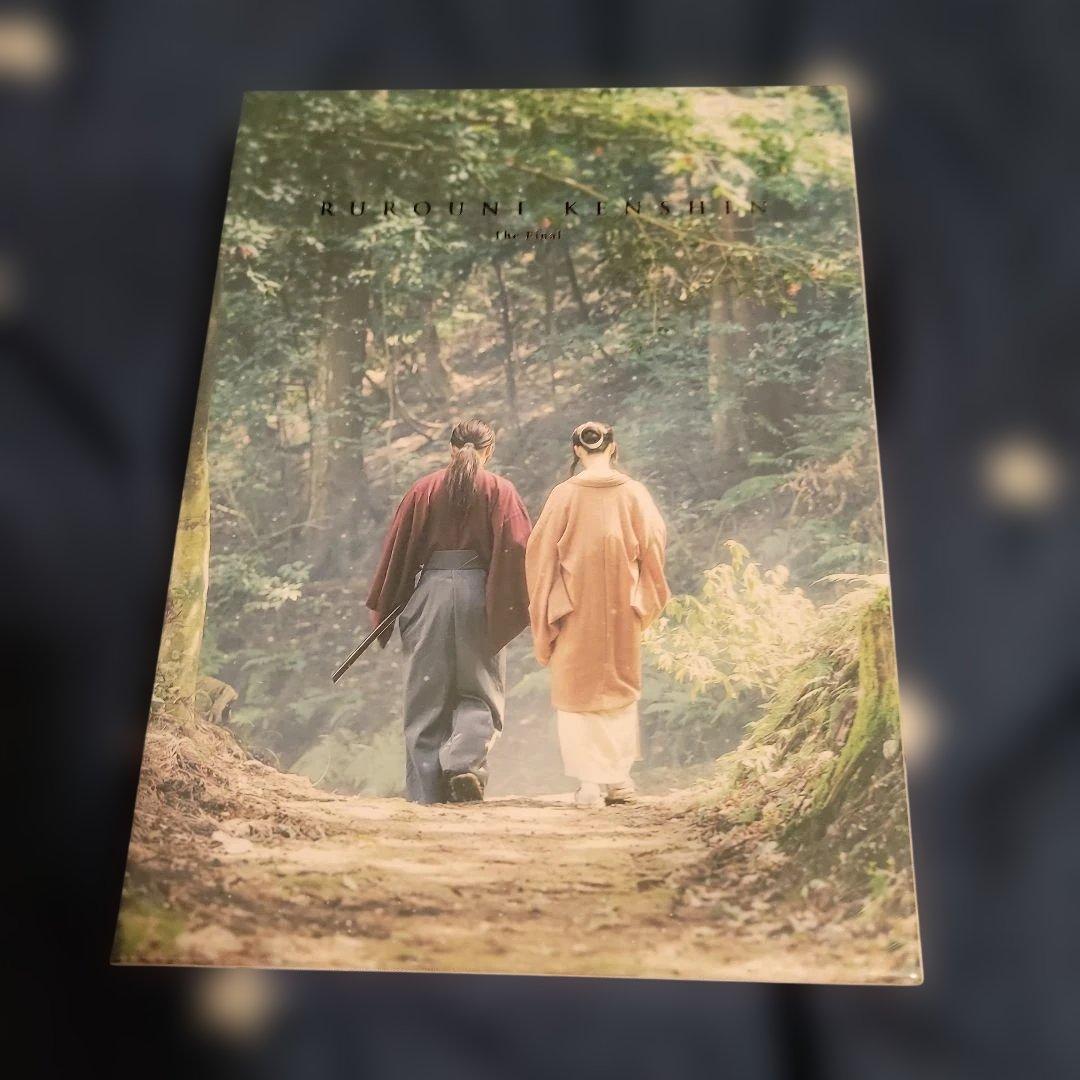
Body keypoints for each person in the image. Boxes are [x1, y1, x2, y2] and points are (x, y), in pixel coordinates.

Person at [366, 419, 532, 804]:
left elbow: (398, 552)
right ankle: (463, 764)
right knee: (480, 690)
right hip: (479, 596)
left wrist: (392, 603)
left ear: (450, 448)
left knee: (425, 695)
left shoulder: (423, 490)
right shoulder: (501, 491)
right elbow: (519, 548)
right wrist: (503, 599)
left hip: (430, 596)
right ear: (489, 451)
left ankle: (426, 793)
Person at [525, 422, 670, 808]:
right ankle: (619, 780)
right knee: (619, 686)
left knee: (577, 691)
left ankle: (589, 783)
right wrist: (643, 597)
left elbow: (540, 554)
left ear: (576, 450)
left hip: (574, 607)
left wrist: (550, 604)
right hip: (622, 605)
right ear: (614, 448)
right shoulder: (634, 493)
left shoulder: (564, 495)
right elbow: (654, 546)